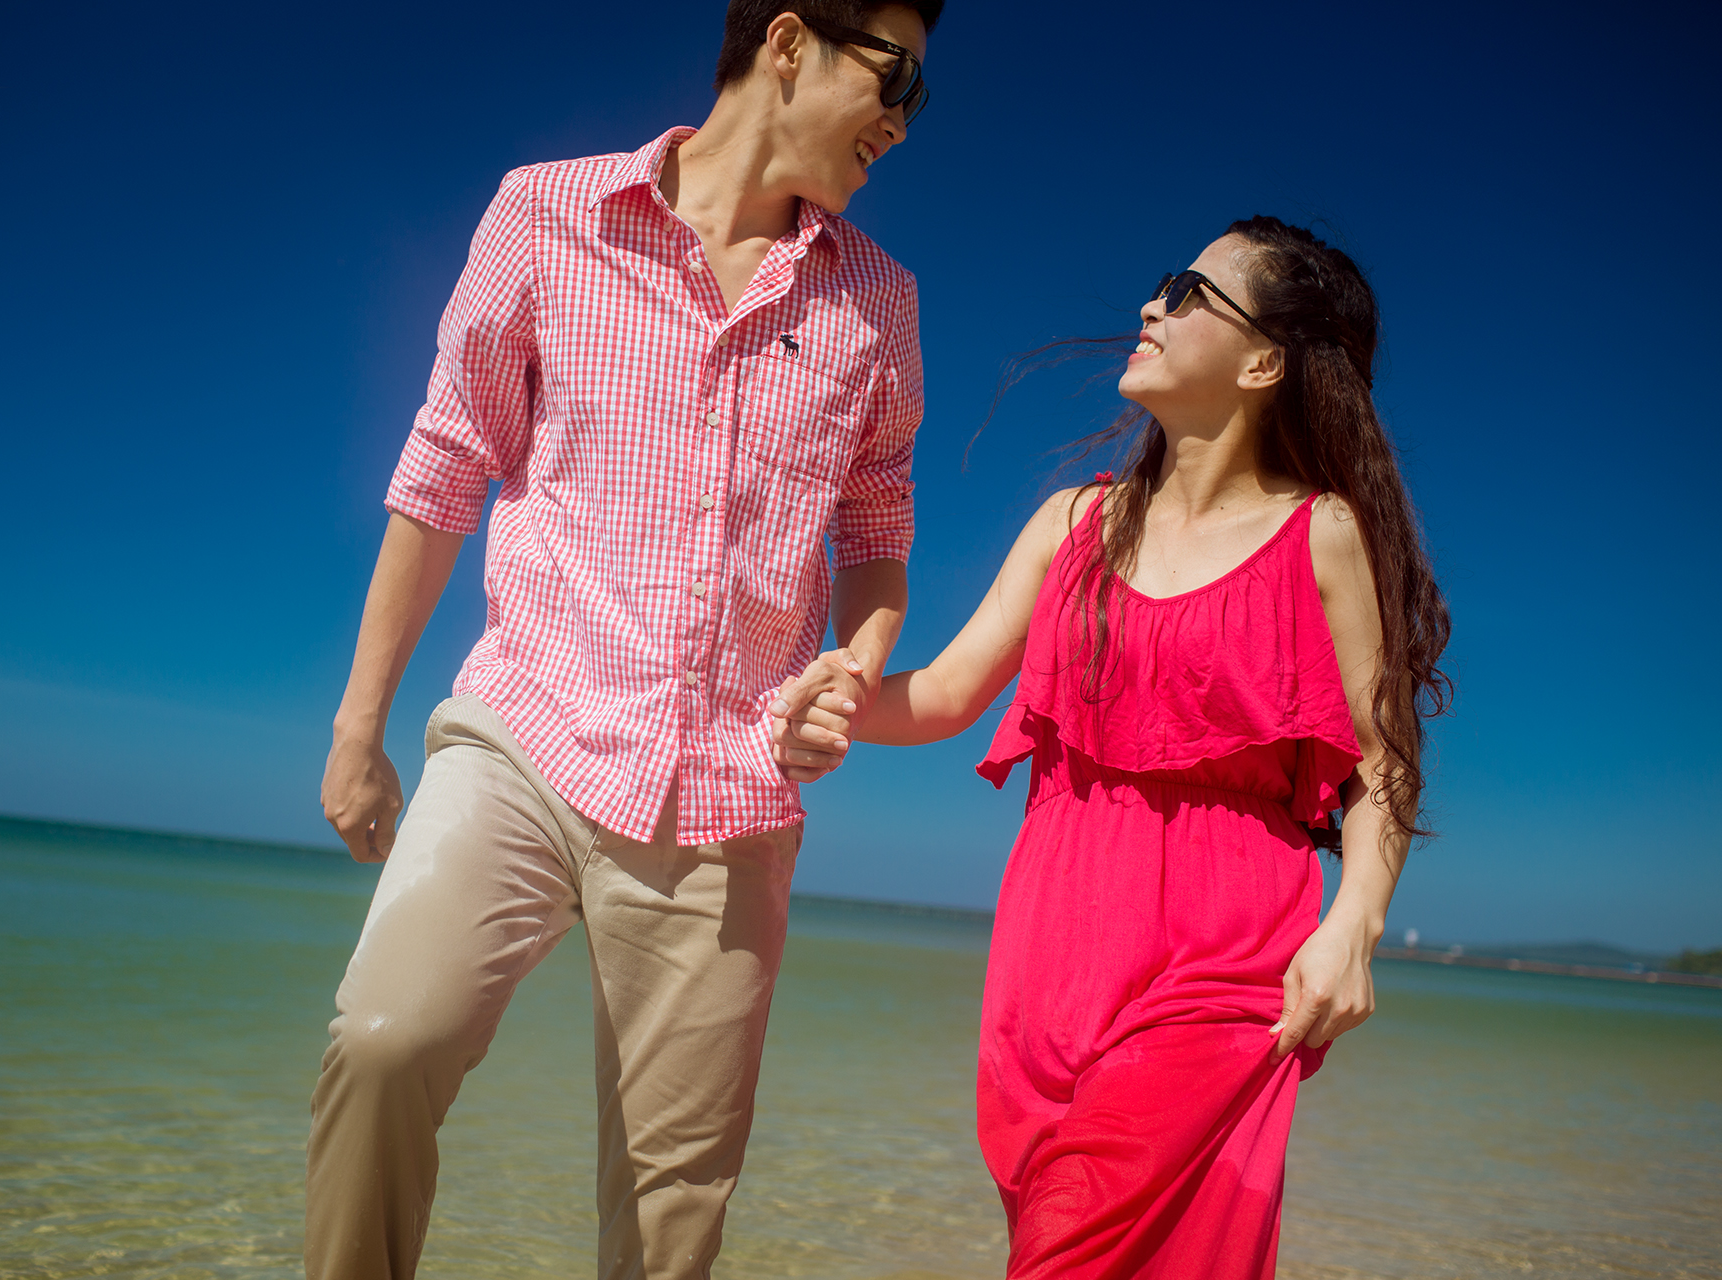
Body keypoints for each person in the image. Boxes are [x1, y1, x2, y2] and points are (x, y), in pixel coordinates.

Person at [306, 3, 942, 1277]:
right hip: (526, 735)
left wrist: (853, 663)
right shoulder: (547, 211)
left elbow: (876, 531)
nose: (903, 122)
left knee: (670, 1212)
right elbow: (446, 469)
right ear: (786, 42)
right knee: (382, 1039)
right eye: (896, 77)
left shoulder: (880, 302)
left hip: (729, 794)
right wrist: (358, 725)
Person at [770, 218, 1451, 1278]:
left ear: (1264, 362)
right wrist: (824, 699)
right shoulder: (1071, 524)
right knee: (1055, 1224)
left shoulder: (1319, 534)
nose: (1150, 306)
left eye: (1188, 293)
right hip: (1049, 957)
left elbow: (1383, 758)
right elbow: (945, 695)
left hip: (1225, 959)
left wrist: (1353, 927)